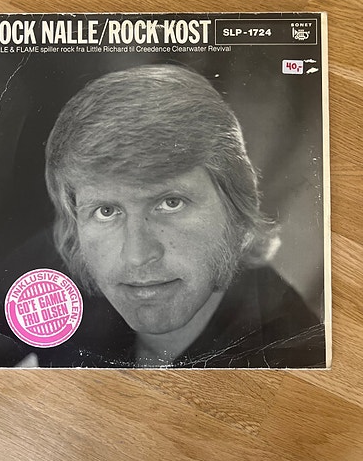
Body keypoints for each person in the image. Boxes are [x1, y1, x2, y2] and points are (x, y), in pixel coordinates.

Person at [44, 64, 326, 368]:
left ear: (235, 210)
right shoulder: (53, 304)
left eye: (171, 203)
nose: (138, 256)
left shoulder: (295, 362)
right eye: (107, 211)